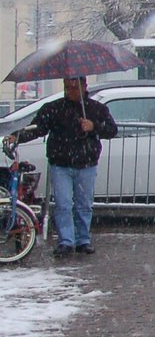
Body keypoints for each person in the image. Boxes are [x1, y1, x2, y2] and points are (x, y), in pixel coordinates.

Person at [4, 76, 117, 257]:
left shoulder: (97, 109)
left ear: (83, 86)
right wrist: (17, 136)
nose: (69, 91)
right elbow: (38, 128)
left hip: (86, 163)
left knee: (84, 204)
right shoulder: (54, 108)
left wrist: (94, 126)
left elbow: (112, 130)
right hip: (61, 164)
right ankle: (66, 240)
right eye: (67, 87)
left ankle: (83, 239)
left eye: (73, 87)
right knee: (63, 204)